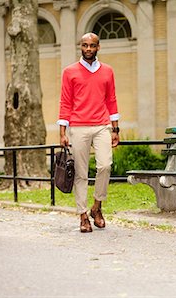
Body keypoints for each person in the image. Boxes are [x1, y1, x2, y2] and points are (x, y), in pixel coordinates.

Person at [57, 32, 120, 233]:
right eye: (84, 45)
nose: (88, 49)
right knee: (81, 173)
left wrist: (115, 128)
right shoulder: (70, 72)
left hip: (102, 125)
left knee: (105, 166)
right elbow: (65, 102)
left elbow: (112, 99)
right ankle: (83, 215)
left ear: (98, 47)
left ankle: (97, 206)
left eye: (92, 46)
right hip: (78, 126)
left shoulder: (108, 71)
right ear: (80, 47)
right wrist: (62, 132)